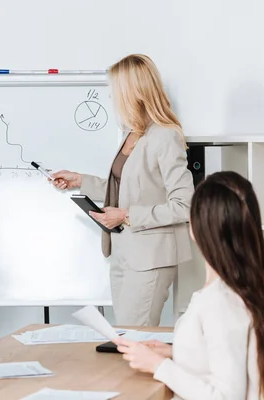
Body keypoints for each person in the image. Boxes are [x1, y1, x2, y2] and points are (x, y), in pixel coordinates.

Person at [113, 171, 264, 400]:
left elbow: (227, 397)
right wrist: (175, 353)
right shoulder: (238, 290)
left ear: (197, 228)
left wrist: (159, 366)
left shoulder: (221, 302)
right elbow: (225, 358)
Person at [51, 54, 194, 326]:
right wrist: (79, 180)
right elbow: (127, 187)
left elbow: (184, 204)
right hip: (122, 250)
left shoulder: (165, 135)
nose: (112, 97)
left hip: (150, 255)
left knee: (133, 336)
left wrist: (126, 215)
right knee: (125, 335)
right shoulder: (132, 133)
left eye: (115, 90)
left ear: (133, 91)